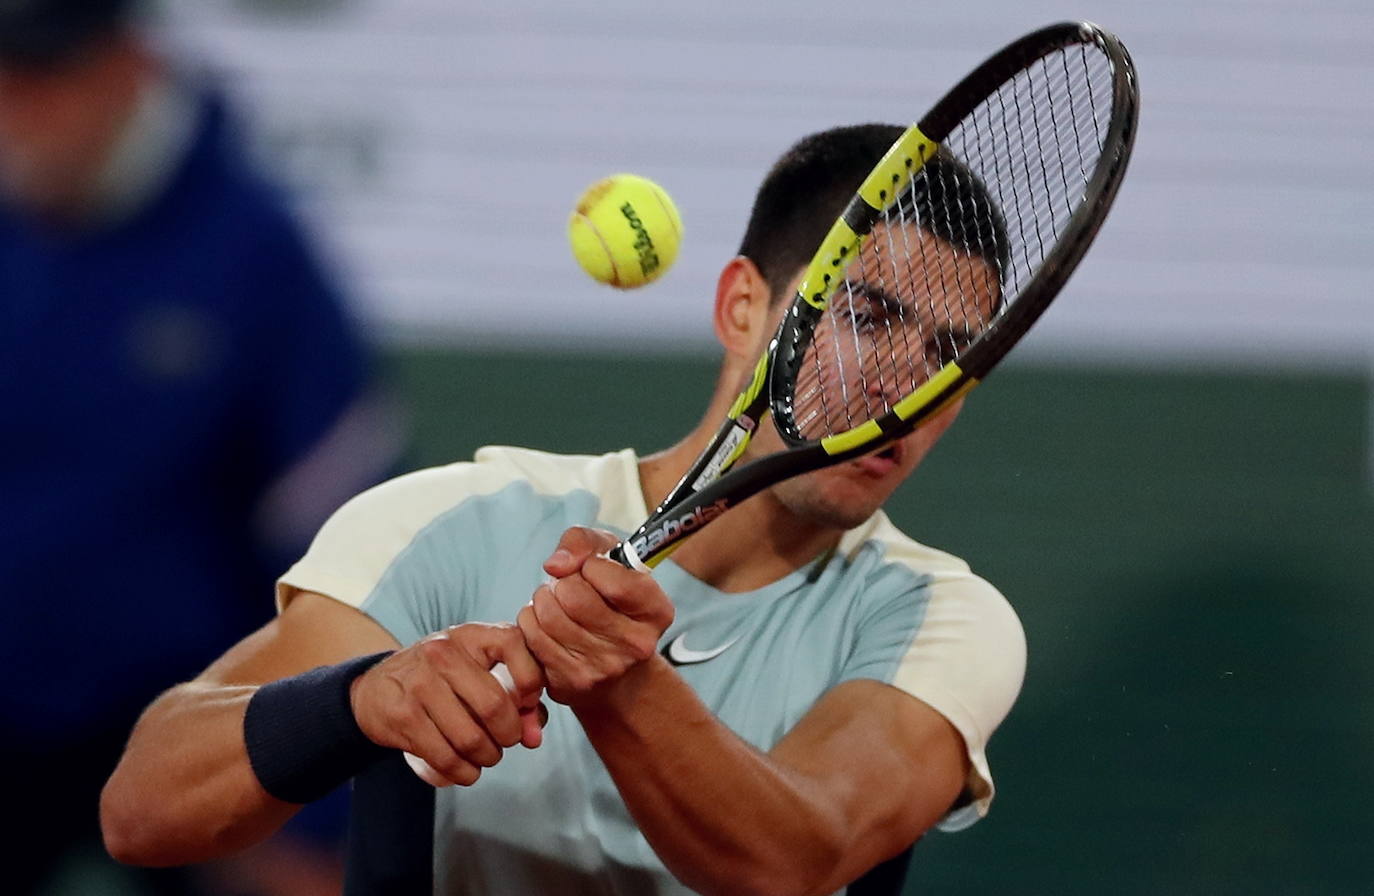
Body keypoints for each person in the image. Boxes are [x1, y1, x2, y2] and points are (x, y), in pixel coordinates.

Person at [101, 124, 1026, 895]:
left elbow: (797, 857)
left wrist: (624, 684)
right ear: (744, 308)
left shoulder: (941, 621)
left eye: (951, 356)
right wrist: (358, 701)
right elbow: (140, 811)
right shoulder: (454, 524)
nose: (906, 387)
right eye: (867, 319)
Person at [0, 0, 395, 892]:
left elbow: (338, 544)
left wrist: (311, 795)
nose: (19, 112)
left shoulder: (257, 252)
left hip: (183, 715)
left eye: (46, 79)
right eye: (5, 83)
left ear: (130, 68)